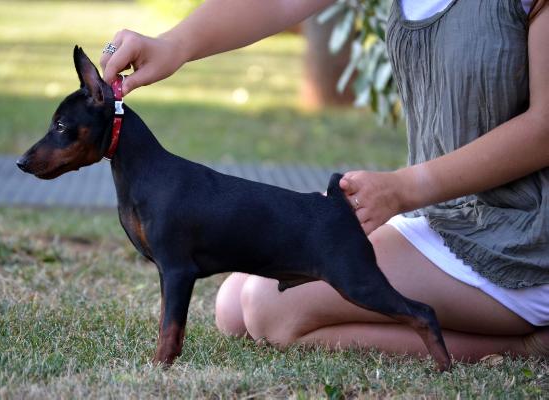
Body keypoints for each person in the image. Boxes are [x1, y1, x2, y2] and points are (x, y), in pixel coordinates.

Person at [101, 0, 549, 361]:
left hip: (523, 234)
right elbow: (277, 3)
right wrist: (172, 45)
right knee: (232, 307)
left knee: (268, 308)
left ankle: (526, 346)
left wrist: (404, 188)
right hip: (444, 217)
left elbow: (545, 128)